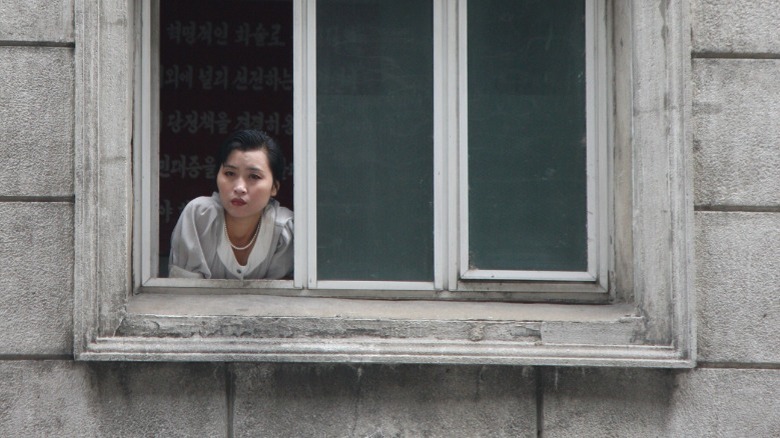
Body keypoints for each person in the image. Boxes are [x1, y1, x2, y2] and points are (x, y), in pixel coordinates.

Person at [168, 130, 293, 279]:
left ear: (274, 187)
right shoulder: (199, 217)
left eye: (254, 176)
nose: (239, 188)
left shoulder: (285, 231)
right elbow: (184, 293)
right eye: (229, 173)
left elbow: (282, 299)